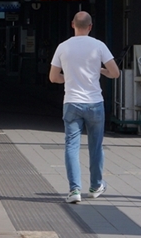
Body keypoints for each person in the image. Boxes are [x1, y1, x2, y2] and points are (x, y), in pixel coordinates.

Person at [49, 11, 120, 204]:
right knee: (96, 147)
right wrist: (101, 71)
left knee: (71, 146)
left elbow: (53, 77)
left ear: (73, 24)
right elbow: (115, 73)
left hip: (71, 102)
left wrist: (69, 79)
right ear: (90, 26)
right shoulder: (99, 46)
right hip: (94, 103)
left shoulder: (63, 47)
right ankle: (96, 186)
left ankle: (74, 190)